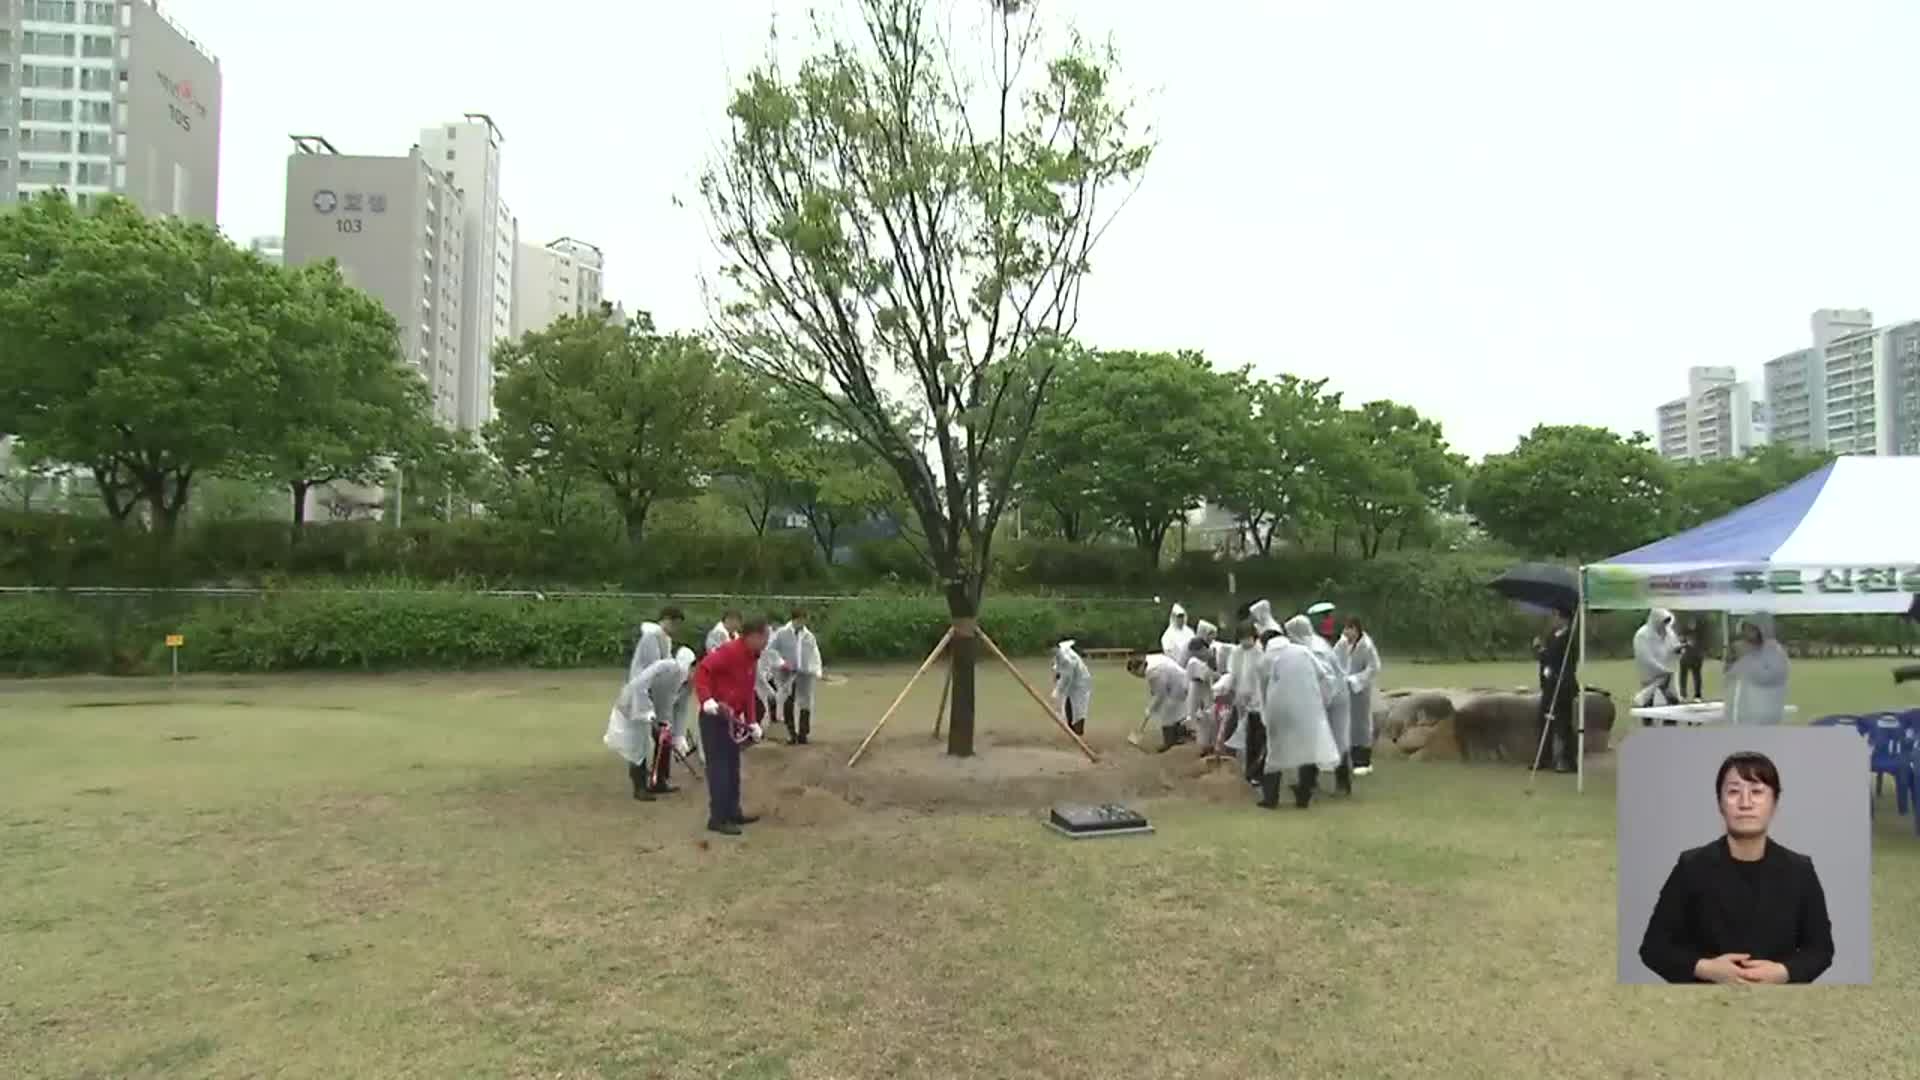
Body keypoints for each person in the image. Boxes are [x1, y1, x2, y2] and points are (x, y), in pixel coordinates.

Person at [1637, 751, 1834, 984]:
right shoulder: (1692, 867)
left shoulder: (1800, 870)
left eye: (1757, 791)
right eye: (1733, 792)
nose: (1745, 802)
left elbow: (1821, 950)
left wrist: (1783, 972)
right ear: (1720, 803)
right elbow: (1654, 948)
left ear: (1775, 803)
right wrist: (1705, 969)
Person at [692, 618, 771, 836]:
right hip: (714, 717)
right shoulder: (729, 651)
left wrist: (753, 720)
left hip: (732, 719)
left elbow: (747, 691)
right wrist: (707, 700)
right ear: (752, 636)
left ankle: (733, 811)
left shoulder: (752, 657)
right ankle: (717, 818)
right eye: (765, 637)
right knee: (719, 769)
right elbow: (703, 671)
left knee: (732, 767)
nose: (767, 642)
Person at [1259, 624, 1342, 809]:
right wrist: (1323, 700)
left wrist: (1265, 716)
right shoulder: (1303, 652)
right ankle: (1304, 796)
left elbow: (1262, 691)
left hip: (1279, 710)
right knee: (1308, 749)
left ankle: (1270, 798)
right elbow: (1325, 675)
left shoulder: (1265, 659)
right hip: (1308, 708)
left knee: (1275, 752)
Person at [604, 647, 697, 801]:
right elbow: (640, 684)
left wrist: (679, 735)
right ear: (691, 666)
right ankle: (639, 787)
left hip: (656, 712)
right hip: (634, 706)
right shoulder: (665, 667)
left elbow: (680, 709)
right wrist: (646, 711)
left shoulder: (688, 685)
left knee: (665, 741)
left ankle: (659, 781)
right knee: (638, 746)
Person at [1289, 614, 1354, 795]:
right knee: (1316, 739)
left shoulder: (1315, 649)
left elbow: (1327, 679)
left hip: (1334, 698)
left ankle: (1339, 783)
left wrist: (1318, 704)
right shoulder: (1311, 644)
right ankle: (1309, 781)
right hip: (1327, 698)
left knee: (1335, 740)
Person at [1534, 606, 1578, 774]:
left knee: (1563, 725)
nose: (1553, 619)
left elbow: (1561, 662)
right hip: (1549, 686)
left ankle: (1567, 761)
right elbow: (1546, 659)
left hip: (1562, 687)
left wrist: (1542, 651)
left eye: (1556, 616)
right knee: (1544, 722)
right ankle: (1543, 758)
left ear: (1564, 619)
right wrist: (1540, 650)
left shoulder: (1569, 639)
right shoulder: (1553, 636)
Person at [1221, 622, 1267, 786]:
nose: (1245, 641)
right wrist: (1227, 690)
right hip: (1239, 700)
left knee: (1255, 739)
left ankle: (1253, 773)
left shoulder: (1260, 652)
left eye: (1248, 637)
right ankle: (1233, 768)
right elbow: (1233, 674)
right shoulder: (1236, 652)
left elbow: (1260, 680)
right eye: (1242, 638)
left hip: (1257, 703)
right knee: (1231, 733)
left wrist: (1253, 699)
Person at [1336, 617, 1382, 776]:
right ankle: (1350, 759)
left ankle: (1364, 761)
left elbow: (1374, 667)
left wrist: (1357, 679)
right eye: (1345, 629)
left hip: (1361, 690)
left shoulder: (1366, 646)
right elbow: (1335, 659)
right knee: (1347, 724)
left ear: (1355, 629)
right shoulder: (1343, 643)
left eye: (1349, 629)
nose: (1345, 633)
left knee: (1361, 724)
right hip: (1345, 688)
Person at [1725, 615, 1790, 725]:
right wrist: (1731, 661)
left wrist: (1746, 657)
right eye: (1744, 629)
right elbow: (1730, 677)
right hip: (1741, 717)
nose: (1746, 634)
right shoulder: (1747, 651)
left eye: (1751, 629)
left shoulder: (1775, 652)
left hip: (1764, 717)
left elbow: (1767, 679)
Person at [1127, 652, 1190, 751]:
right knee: (1174, 710)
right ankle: (1179, 736)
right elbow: (1157, 687)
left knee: (1168, 710)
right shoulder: (1149, 661)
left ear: (1140, 667)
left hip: (1179, 683)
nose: (1137, 677)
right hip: (1175, 680)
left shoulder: (1152, 671)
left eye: (1136, 674)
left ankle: (1170, 742)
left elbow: (1160, 695)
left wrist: (1150, 710)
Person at [1632, 608, 1682, 716]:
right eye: (1663, 621)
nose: (1665, 625)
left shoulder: (1669, 633)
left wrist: (1678, 650)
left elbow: (1673, 647)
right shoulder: (1642, 635)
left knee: (1673, 702)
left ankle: (1669, 727)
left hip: (1667, 674)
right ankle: (1648, 727)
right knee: (1647, 704)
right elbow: (1645, 658)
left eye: (1667, 622)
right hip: (1650, 674)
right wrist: (1661, 670)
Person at [628, 606, 686, 683]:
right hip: (641, 683)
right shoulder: (651, 636)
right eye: (674, 623)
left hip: (653, 683)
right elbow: (653, 663)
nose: (676, 628)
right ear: (666, 620)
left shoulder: (666, 639)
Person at [1051, 636, 1093, 737]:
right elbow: (1059, 668)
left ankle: (1078, 734)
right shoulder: (1060, 654)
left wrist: (1057, 691)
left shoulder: (1066, 657)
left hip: (1081, 684)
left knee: (1078, 711)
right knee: (1068, 709)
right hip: (1073, 684)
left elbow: (1067, 676)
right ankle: (1073, 734)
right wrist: (1057, 674)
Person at [1184, 638, 1219, 754]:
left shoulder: (1220, 652)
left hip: (1221, 689)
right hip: (1204, 690)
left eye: (1198, 655)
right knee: (1204, 718)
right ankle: (1207, 747)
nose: (1197, 658)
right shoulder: (1194, 663)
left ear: (1204, 649)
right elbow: (1202, 679)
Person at [1677, 619, 1707, 702]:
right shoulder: (1684, 632)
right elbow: (1679, 643)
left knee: (1697, 677)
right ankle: (1683, 695)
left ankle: (1697, 696)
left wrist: (1701, 654)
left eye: (1693, 623)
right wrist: (1685, 644)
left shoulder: (1700, 633)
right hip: (1685, 658)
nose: (1692, 625)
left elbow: (1702, 645)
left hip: (1696, 658)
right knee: (1683, 677)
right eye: (1690, 623)